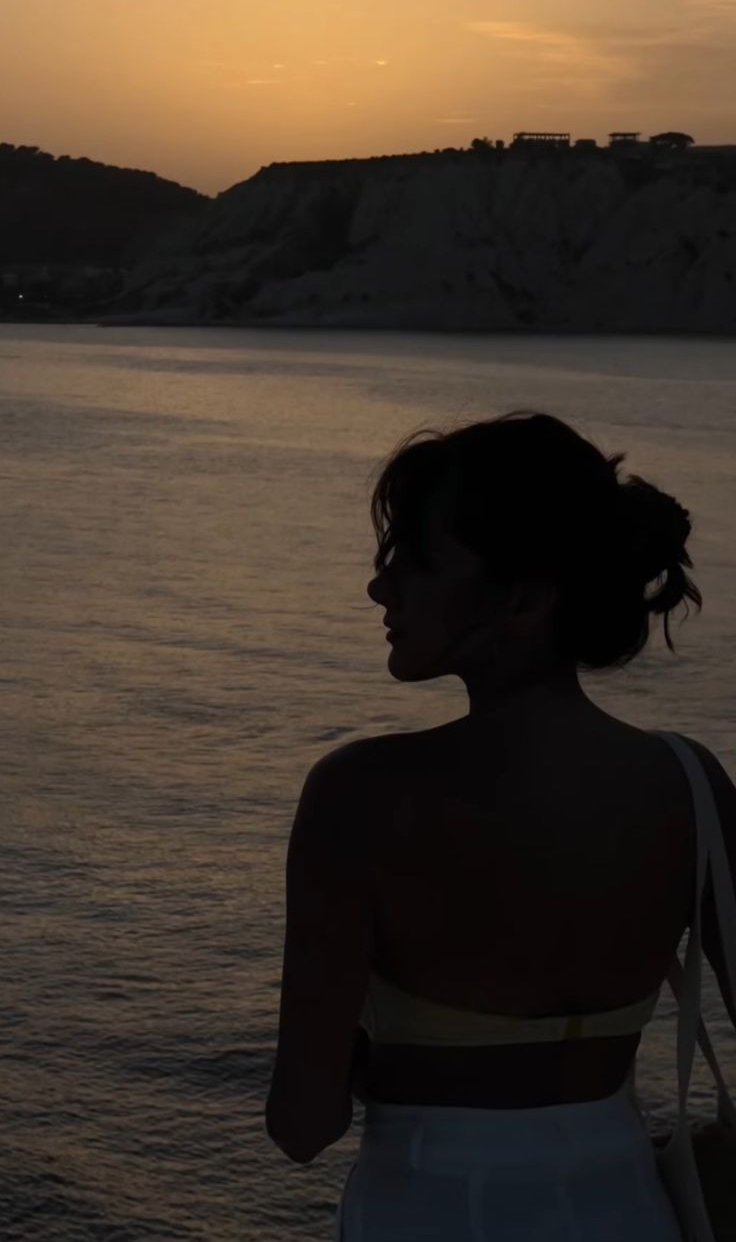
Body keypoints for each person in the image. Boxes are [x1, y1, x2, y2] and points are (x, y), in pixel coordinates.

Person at [265, 409, 736, 1240]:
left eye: (415, 561)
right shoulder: (690, 783)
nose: (382, 587)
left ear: (524, 599)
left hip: (423, 1211)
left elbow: (304, 1126)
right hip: (628, 1210)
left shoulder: (361, 796)